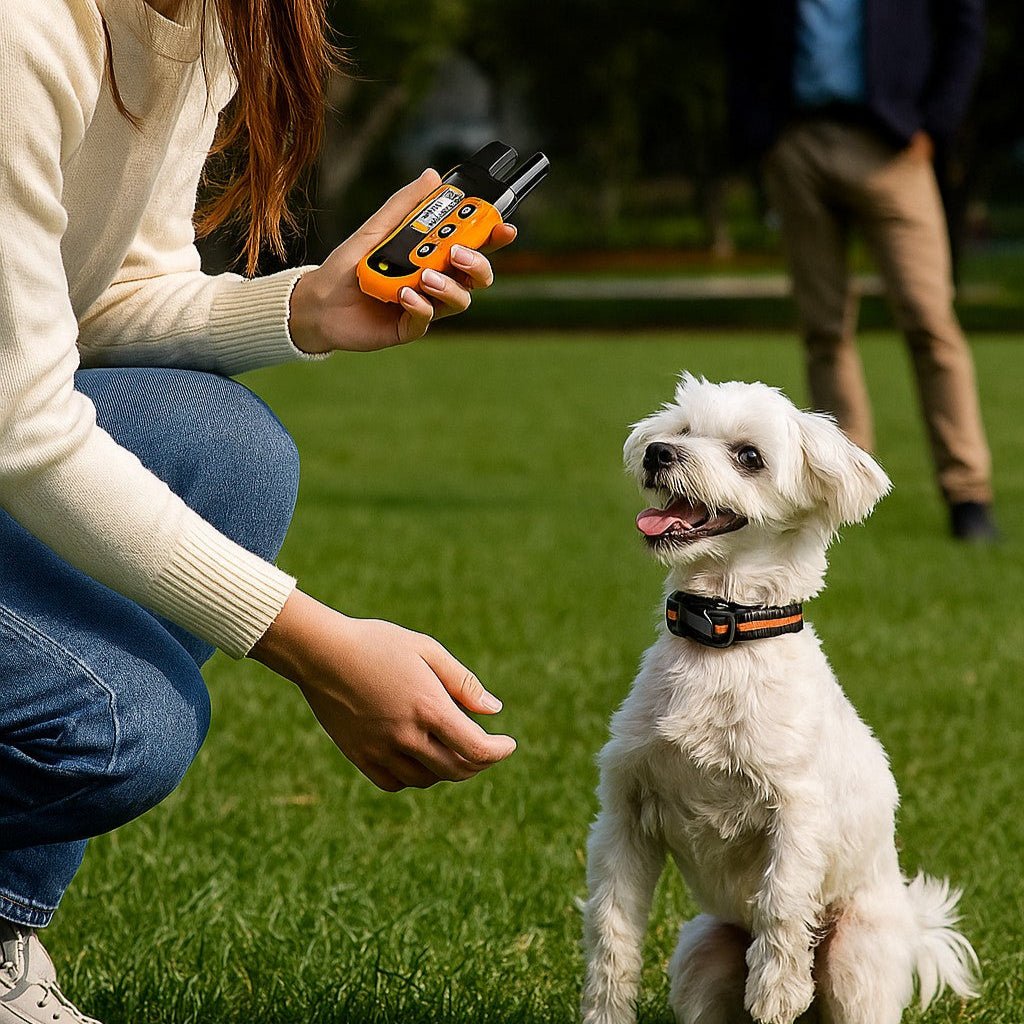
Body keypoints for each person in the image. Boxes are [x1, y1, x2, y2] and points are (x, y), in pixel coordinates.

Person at [0, 1, 520, 1020]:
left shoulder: (201, 22)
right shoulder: (23, 33)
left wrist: (308, 308)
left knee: (229, 448)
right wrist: (316, 645)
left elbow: (105, 298)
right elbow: (24, 427)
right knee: (113, 727)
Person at [728, 0, 998, 541]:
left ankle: (967, 494)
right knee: (824, 329)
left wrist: (937, 123)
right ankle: (843, 492)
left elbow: (964, 22)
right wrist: (761, 134)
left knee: (930, 320)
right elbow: (743, 32)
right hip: (796, 141)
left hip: (895, 141)